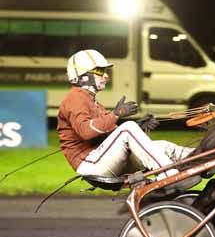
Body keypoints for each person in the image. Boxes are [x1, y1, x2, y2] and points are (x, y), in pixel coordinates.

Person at [57, 49, 200, 193]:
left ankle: (200, 158)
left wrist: (138, 127)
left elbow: (110, 135)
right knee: (127, 127)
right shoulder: (74, 98)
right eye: (100, 71)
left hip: (101, 158)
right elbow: (86, 132)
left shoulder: (91, 101)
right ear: (83, 77)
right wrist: (116, 114)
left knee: (162, 146)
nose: (106, 76)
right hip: (91, 165)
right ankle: (170, 177)